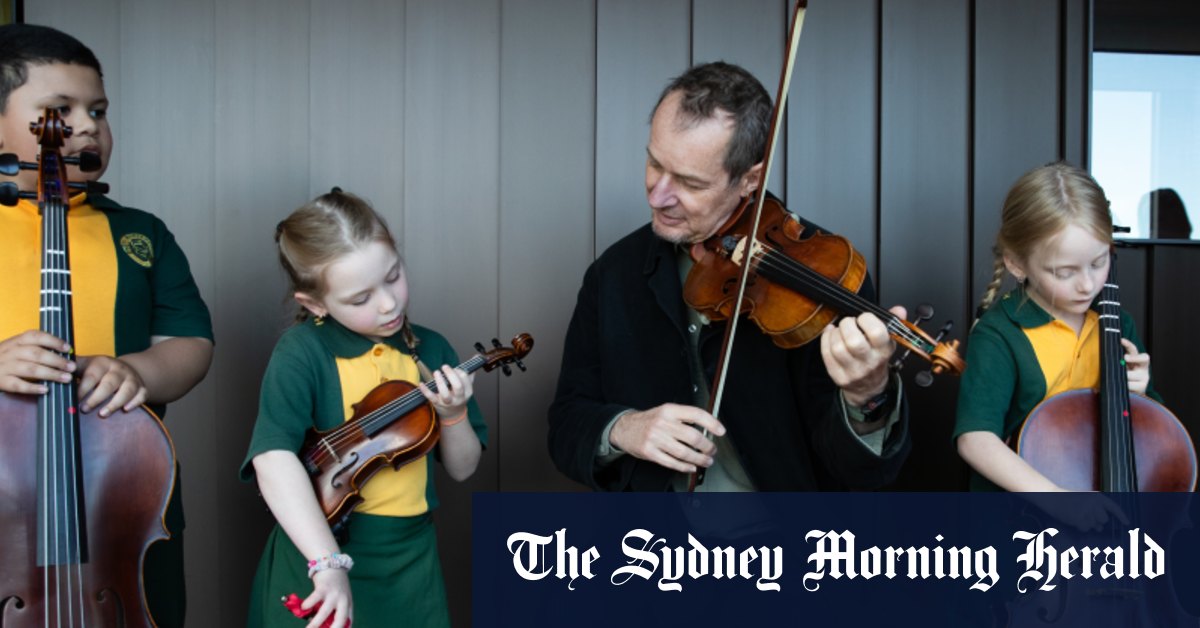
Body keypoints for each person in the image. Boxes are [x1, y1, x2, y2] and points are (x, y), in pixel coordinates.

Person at [548, 61, 910, 492]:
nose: (657, 194)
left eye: (689, 182)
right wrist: (626, 428)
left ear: (749, 179)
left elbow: (861, 475)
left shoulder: (821, 276)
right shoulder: (613, 274)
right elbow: (566, 425)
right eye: (654, 162)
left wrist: (865, 397)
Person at [0, 23, 214, 627]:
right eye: (58, 110)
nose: (88, 125)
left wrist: (135, 373)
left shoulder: (138, 233)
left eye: (97, 109)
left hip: (119, 500)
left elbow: (190, 343)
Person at [242, 190, 486, 628]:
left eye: (393, 276)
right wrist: (326, 562)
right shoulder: (302, 352)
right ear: (315, 304)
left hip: (411, 561)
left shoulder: (431, 348)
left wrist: (453, 414)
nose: (389, 303)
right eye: (360, 299)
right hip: (318, 557)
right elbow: (273, 458)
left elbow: (464, 468)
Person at [954, 162, 1157, 495]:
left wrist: (1143, 394)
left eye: (1099, 262)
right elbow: (976, 439)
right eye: (1065, 272)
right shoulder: (1000, 334)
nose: (1088, 284)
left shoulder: (1117, 324)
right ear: (1017, 263)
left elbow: (1155, 435)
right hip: (1022, 520)